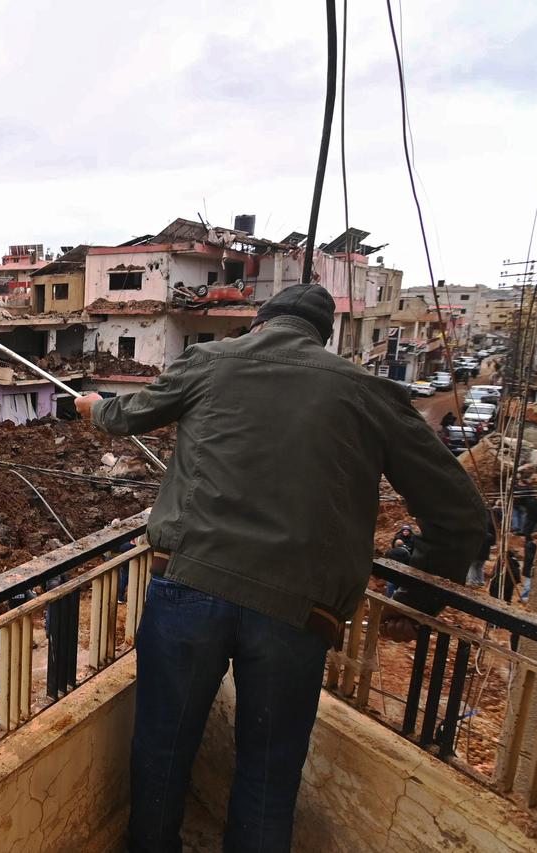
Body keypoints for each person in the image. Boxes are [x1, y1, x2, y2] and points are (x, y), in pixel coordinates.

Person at [74, 284, 485, 852]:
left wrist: (94, 407)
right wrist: (417, 603)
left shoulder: (211, 362)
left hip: (192, 588)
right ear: (324, 337)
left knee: (162, 749)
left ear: (260, 324)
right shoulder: (369, 392)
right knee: (269, 776)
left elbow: (127, 415)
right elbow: (462, 516)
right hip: (299, 611)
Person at [467, 510, 497, 588]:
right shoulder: (489, 536)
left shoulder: (477, 536)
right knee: (480, 567)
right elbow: (492, 543)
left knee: (472, 567)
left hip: (476, 554)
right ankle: (481, 581)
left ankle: (472, 581)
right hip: (484, 555)